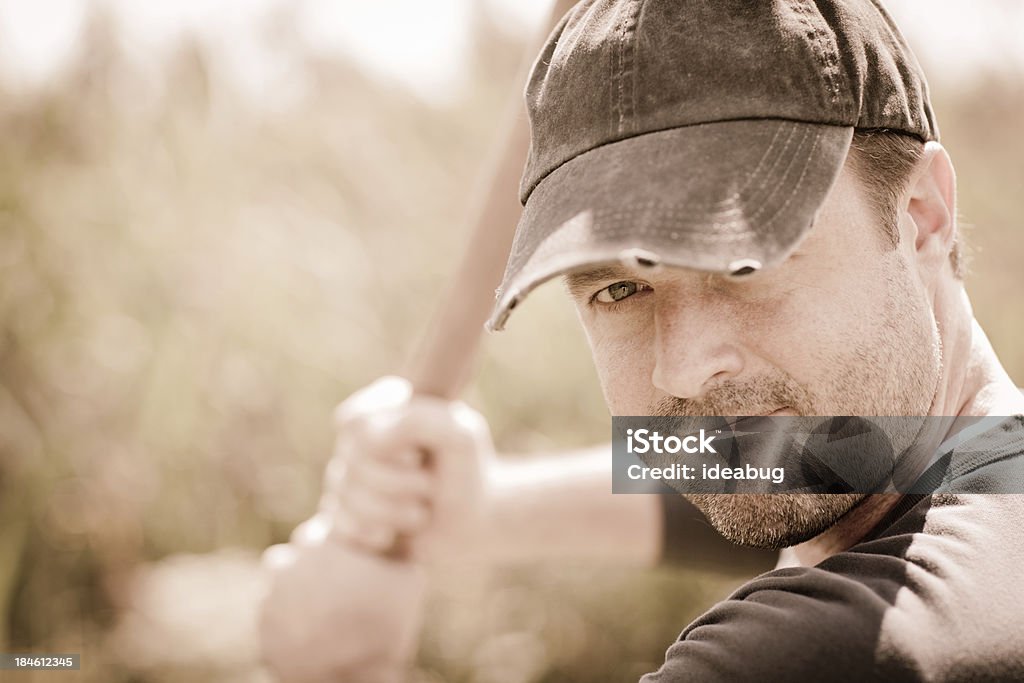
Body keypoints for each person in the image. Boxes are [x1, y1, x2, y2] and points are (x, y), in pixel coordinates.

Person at [261, 1, 1024, 681]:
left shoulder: (822, 649)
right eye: (620, 289)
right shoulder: (978, 478)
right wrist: (481, 507)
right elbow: (790, 455)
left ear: (922, 213)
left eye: (745, 262)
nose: (683, 366)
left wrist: (338, 663)